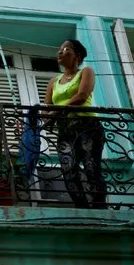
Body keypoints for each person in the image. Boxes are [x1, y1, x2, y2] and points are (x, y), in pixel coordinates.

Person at [43, 39, 107, 209]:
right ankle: (82, 208)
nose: (60, 52)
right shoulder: (53, 82)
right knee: (69, 171)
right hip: (65, 130)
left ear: (77, 56)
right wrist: (47, 116)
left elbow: (82, 96)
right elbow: (46, 108)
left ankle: (99, 207)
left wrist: (56, 113)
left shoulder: (85, 72)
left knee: (91, 166)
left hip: (87, 125)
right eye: (59, 49)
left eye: (65, 49)